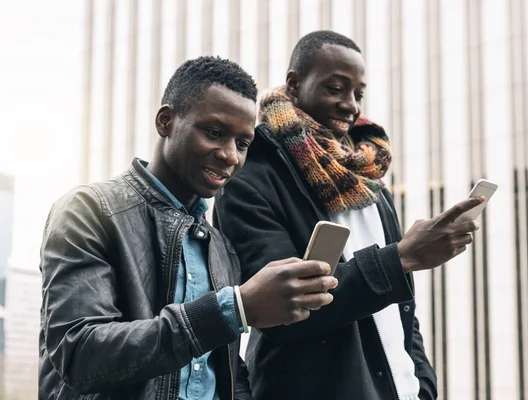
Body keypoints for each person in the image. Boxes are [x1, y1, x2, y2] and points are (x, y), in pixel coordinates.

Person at [38, 56, 338, 400]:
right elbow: (79, 355)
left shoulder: (220, 248)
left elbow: (225, 369)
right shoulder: (88, 210)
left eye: (243, 144)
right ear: (166, 122)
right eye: (214, 132)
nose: (230, 156)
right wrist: (233, 309)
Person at [214, 31, 483, 400]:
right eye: (335, 88)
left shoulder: (370, 181)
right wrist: (401, 258)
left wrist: (422, 384)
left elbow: (402, 314)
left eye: (358, 93)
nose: (350, 105)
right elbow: (280, 314)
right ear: (294, 85)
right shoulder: (253, 178)